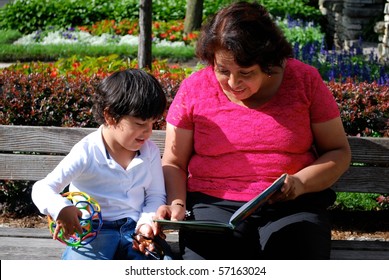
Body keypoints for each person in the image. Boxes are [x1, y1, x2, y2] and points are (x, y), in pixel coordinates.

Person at [155, 1, 351, 260]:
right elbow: (174, 161)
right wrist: (178, 203)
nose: (233, 83)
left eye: (245, 73)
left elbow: (338, 151)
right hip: (213, 205)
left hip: (291, 203)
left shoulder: (304, 81)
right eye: (222, 71)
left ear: (269, 63)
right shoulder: (195, 88)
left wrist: (301, 183)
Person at [32, 69, 172, 260]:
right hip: (93, 231)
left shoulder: (150, 152)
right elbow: (42, 188)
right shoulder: (87, 151)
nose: (148, 132)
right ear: (110, 116)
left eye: (153, 123)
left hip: (135, 229)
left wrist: (146, 223)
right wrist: (61, 208)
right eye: (140, 124)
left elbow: (156, 195)